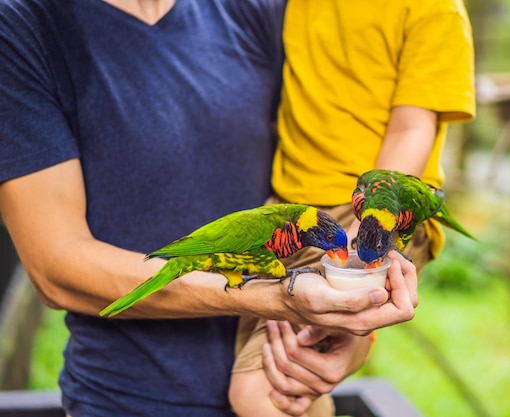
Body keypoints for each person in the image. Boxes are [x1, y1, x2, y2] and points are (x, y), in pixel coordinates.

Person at [0, 1, 420, 416]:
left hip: (286, 394)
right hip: (127, 402)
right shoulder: (24, 24)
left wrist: (355, 332)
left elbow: (341, 150)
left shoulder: (259, 8)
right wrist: (274, 298)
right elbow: (55, 269)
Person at [228, 0, 476, 416]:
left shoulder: (433, 9)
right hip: (290, 211)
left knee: (263, 391)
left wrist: (372, 234)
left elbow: (413, 128)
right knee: (301, 389)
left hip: (372, 213)